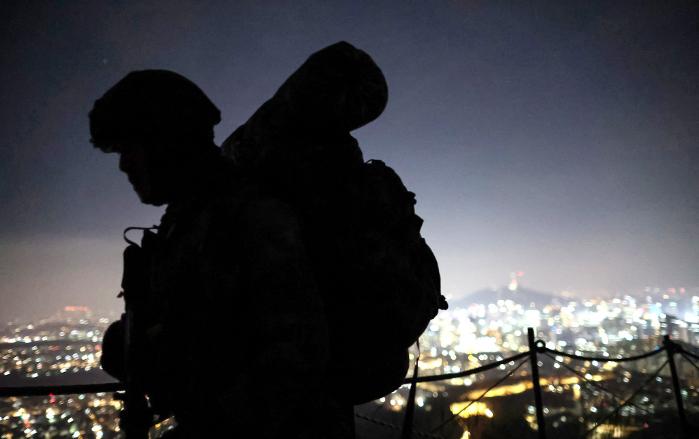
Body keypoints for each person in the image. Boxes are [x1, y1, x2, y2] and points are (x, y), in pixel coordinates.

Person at [90, 70, 337, 438]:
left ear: (167, 141)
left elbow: (296, 357)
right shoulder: (191, 220)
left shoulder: (248, 216)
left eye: (130, 148)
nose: (124, 164)